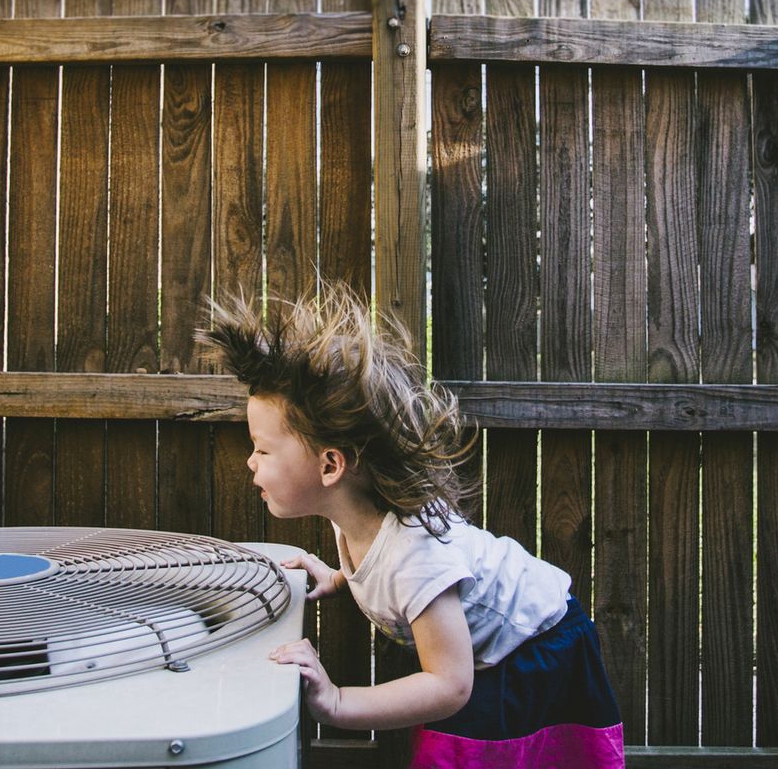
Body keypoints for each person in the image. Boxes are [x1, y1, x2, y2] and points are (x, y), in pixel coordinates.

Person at [204, 288, 626, 768]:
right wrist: (339, 579)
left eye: (262, 448)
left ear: (330, 467)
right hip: (480, 658)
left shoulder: (416, 555)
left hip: (534, 651)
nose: (249, 461)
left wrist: (338, 702)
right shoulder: (359, 518)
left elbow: (450, 685)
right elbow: (383, 571)